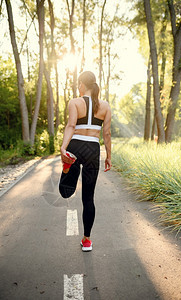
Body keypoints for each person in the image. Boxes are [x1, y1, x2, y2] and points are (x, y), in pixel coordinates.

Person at [59, 71, 111, 252]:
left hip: (75, 147)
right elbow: (107, 134)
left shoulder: (75, 102)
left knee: (65, 192)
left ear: (82, 84)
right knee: (88, 197)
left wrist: (63, 148)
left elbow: (71, 126)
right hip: (92, 150)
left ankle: (67, 169)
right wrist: (109, 156)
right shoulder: (104, 106)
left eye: (78, 83)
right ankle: (87, 240)